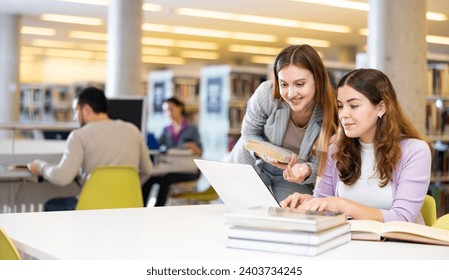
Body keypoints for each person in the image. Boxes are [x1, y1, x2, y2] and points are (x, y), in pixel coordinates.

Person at [281, 68, 433, 224]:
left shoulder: (415, 151)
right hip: (351, 243)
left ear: (381, 107)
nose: (343, 114)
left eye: (353, 106)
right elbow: (326, 202)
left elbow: (402, 218)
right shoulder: (335, 149)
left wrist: (341, 204)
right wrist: (309, 203)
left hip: (399, 245)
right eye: (340, 106)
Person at [229, 44, 338, 202]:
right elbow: (249, 134)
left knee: (289, 215)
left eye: (299, 84)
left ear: (318, 80)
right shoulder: (267, 93)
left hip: (291, 175)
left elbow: (323, 163)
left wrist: (306, 169)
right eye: (284, 84)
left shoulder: (332, 111)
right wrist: (264, 153)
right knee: (241, 213)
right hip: (251, 164)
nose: (291, 93)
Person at [27, 87, 154, 211]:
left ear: (87, 110)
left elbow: (62, 177)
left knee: (52, 205)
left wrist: (40, 167)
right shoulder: (133, 130)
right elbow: (148, 170)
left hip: (92, 207)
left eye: (76, 111)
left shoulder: (79, 135)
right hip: (128, 206)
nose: (74, 117)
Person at [142, 97, 203, 206]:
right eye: (166, 110)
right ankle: (142, 207)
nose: (169, 112)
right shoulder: (166, 130)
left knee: (165, 178)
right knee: (151, 177)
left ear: (180, 108)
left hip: (189, 170)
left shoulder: (191, 128)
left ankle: (159, 207)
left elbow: (200, 152)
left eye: (171, 109)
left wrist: (193, 147)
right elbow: (156, 146)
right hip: (171, 167)